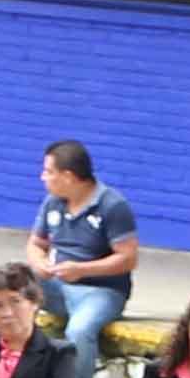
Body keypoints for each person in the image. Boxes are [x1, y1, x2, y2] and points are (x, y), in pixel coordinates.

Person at [27, 137, 141, 366]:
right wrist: (40, 263)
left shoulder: (113, 205)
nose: (43, 177)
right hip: (56, 286)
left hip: (102, 291)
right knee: (11, 294)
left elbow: (128, 258)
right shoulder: (52, 202)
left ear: (68, 176)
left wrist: (82, 270)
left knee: (79, 331)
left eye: (48, 172)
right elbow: (35, 244)